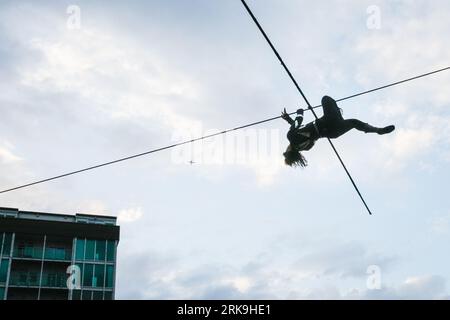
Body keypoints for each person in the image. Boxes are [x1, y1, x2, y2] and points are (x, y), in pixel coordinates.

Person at [282, 95, 395, 167]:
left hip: (333, 132)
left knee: (354, 123)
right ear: (288, 150)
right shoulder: (291, 137)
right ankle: (376, 130)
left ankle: (378, 130)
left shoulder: (305, 147)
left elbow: (297, 127)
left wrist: (288, 119)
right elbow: (298, 121)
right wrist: (300, 112)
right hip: (328, 122)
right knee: (326, 99)